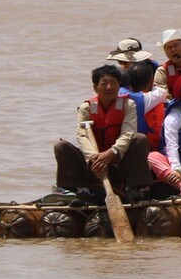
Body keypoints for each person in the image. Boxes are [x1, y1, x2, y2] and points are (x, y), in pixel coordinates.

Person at [53, 65, 152, 200]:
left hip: (118, 164)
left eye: (113, 83)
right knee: (61, 147)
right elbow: (82, 136)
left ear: (119, 86)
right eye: (104, 83)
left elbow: (128, 133)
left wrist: (111, 153)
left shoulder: (128, 105)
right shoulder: (86, 108)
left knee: (139, 139)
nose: (109, 87)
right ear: (95, 87)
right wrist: (95, 158)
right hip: (94, 167)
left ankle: (135, 187)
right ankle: (78, 190)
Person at [123, 60, 166, 151]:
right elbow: (162, 92)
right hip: (142, 149)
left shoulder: (120, 95)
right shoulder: (146, 99)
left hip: (123, 146)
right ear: (151, 81)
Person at [154, 28, 181, 96]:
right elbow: (162, 97)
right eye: (169, 47)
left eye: (176, 45)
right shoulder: (162, 71)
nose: (173, 49)